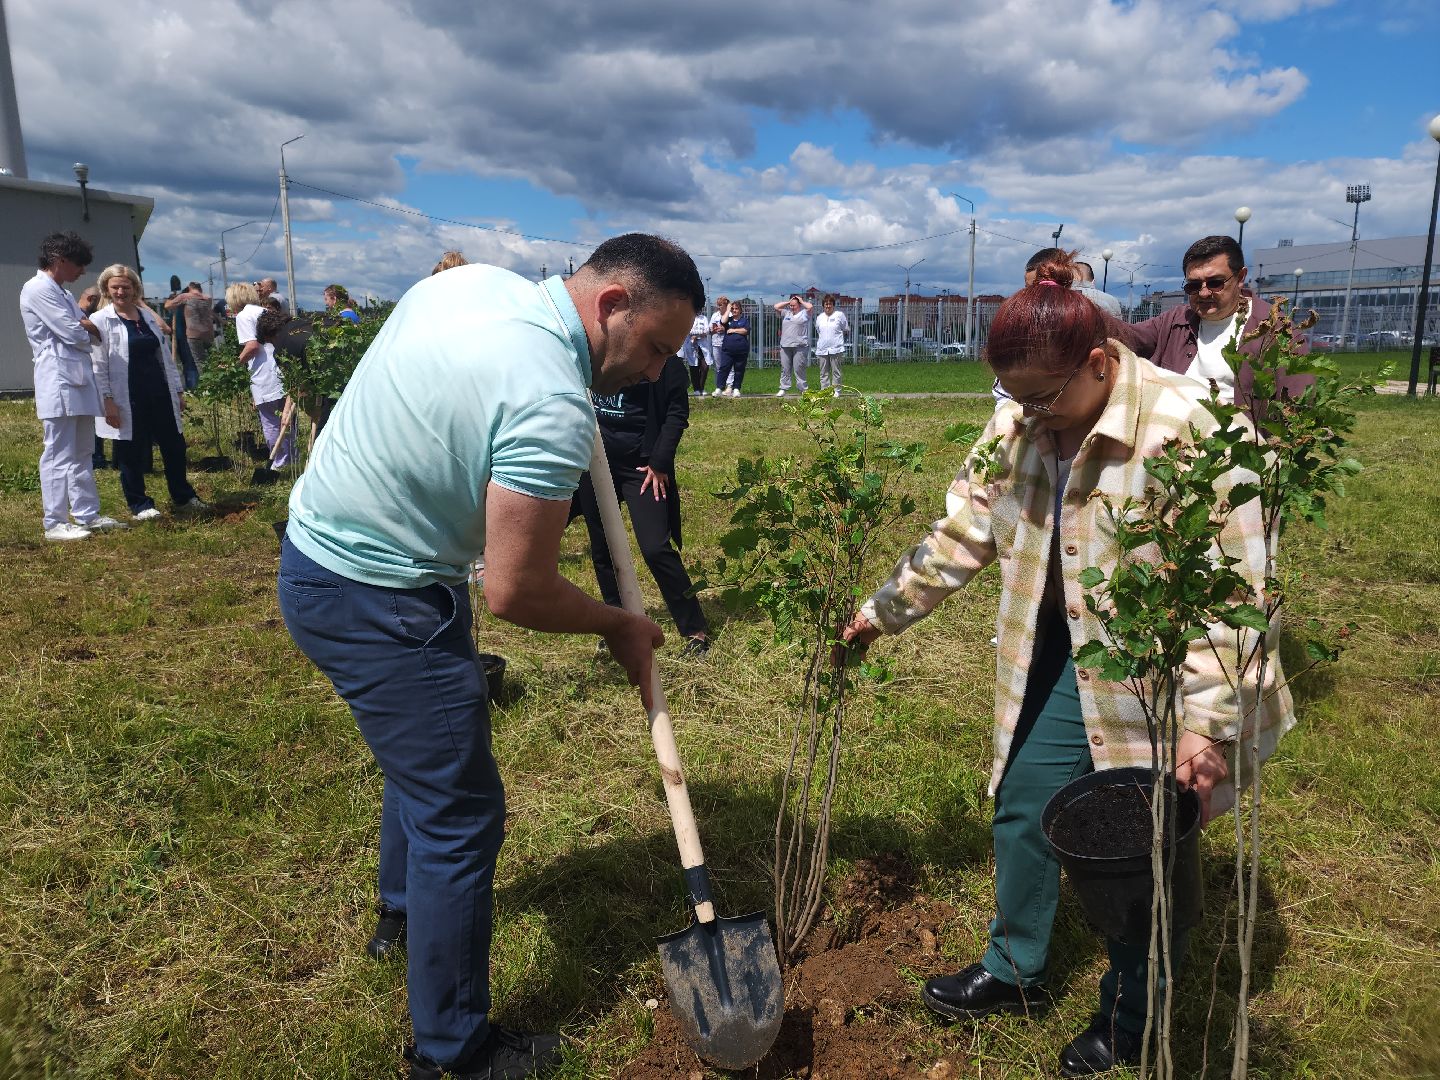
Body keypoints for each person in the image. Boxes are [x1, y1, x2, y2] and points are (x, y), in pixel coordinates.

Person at [838, 252, 1293, 1077]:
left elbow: (1236, 590)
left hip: (1158, 674)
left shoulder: (1191, 421)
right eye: (1015, 398)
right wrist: (882, 611)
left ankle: (1131, 1015)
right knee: (1022, 801)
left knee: (1145, 848)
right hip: (1063, 647)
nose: (1029, 417)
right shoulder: (1022, 417)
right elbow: (966, 527)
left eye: (1044, 398)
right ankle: (1016, 969)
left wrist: (1207, 726)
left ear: (1098, 363)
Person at [277, 233, 702, 1080]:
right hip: (380, 596)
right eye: (656, 349)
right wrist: (619, 625)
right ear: (611, 305)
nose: (657, 374)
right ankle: (452, 1050)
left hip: (322, 554)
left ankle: (400, 916)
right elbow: (517, 590)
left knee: (424, 764)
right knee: (460, 813)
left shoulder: (470, 287)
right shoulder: (549, 398)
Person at [576, 351, 710, 657]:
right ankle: (617, 624)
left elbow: (677, 415)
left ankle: (694, 629)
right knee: (603, 547)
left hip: (643, 468)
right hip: (597, 461)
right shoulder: (598, 355)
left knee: (655, 547)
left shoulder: (668, 364)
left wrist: (660, 462)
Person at [18, 231, 125, 540]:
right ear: (60, 259)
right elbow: (75, 334)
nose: (82, 272)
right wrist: (84, 328)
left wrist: (85, 327)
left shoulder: (62, 293)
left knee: (82, 450)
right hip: (57, 379)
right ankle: (54, 521)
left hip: (77, 378)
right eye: (78, 264)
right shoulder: (37, 289)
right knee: (57, 452)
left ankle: (86, 513)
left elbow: (92, 333)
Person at [1128, 235, 1311, 412]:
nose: (1204, 293)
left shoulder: (1278, 333)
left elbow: (1297, 410)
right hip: (1169, 436)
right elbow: (1129, 336)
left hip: (1233, 441)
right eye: (1193, 285)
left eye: (1215, 283)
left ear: (1240, 278)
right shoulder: (1174, 321)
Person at [90, 265, 207, 521]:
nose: (121, 292)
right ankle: (140, 504)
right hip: (127, 395)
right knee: (131, 451)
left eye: (126, 287)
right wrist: (107, 401)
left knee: (174, 446)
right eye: (115, 287)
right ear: (107, 290)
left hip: (159, 391)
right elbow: (98, 366)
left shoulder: (146, 316)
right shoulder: (101, 320)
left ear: (135, 289)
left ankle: (183, 496)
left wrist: (177, 390)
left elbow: (164, 355)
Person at [228, 282, 294, 471]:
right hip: (282, 366)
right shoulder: (266, 311)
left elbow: (252, 346)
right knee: (286, 416)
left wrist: (235, 365)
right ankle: (292, 456)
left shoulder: (243, 316)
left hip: (264, 372)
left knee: (270, 419)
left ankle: (280, 461)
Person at [78, 285, 111, 472]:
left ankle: (96, 456)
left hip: (85, 374)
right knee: (94, 416)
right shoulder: (84, 318)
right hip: (88, 374)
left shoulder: (78, 315)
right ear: (91, 299)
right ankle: (96, 456)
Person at [773, 293, 813, 395]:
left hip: (800, 346)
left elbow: (810, 306)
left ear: (799, 305)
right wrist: (788, 301)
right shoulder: (786, 313)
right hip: (785, 345)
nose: (792, 307)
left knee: (799, 368)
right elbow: (776, 306)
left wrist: (802, 301)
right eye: (791, 305)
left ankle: (803, 389)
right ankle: (783, 388)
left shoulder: (804, 313)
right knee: (785, 368)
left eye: (794, 305)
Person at [814, 294, 849, 396]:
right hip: (822, 348)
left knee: (836, 371)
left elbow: (845, 328)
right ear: (823, 306)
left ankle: (836, 390)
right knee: (823, 372)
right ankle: (825, 391)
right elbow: (818, 330)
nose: (828, 306)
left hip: (836, 348)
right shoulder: (820, 317)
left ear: (833, 305)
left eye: (830, 304)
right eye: (826, 304)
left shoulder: (839, 315)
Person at [715, 299, 749, 397]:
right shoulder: (728, 320)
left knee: (739, 370)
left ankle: (736, 388)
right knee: (724, 368)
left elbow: (745, 330)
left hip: (741, 350)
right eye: (733, 309)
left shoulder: (744, 320)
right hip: (727, 350)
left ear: (740, 310)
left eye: (736, 309)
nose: (734, 310)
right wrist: (728, 309)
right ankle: (719, 388)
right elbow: (722, 321)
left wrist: (733, 330)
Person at [685, 308, 711, 396]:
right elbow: (688, 330)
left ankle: (701, 387)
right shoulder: (688, 318)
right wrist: (698, 334)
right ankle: (696, 389)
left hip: (702, 346)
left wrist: (697, 335)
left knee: (705, 366)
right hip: (691, 345)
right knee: (694, 367)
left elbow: (707, 330)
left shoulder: (704, 318)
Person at [708, 295, 730, 395]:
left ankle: (729, 386)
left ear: (725, 305)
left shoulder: (729, 315)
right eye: (717, 305)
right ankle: (719, 386)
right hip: (716, 343)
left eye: (720, 305)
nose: (718, 307)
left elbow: (732, 328)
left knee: (728, 365)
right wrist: (713, 330)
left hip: (727, 343)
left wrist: (724, 329)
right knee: (718, 366)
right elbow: (710, 329)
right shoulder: (715, 315)